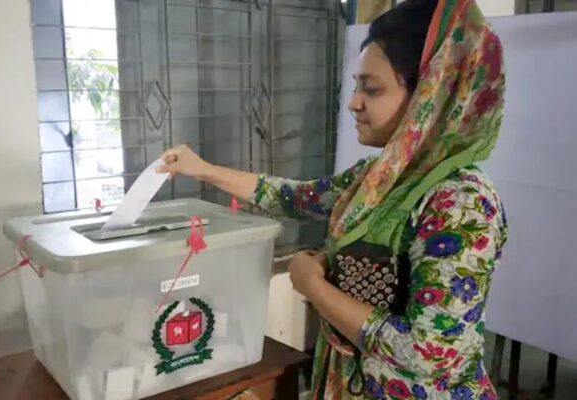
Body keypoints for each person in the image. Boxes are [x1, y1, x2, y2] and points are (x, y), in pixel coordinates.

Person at [158, 0, 507, 398]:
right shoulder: (376, 179)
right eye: (356, 86)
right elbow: (292, 196)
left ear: (431, 94)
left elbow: (429, 354)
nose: (354, 102)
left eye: (371, 89)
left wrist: (314, 286)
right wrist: (201, 168)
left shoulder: (460, 202)